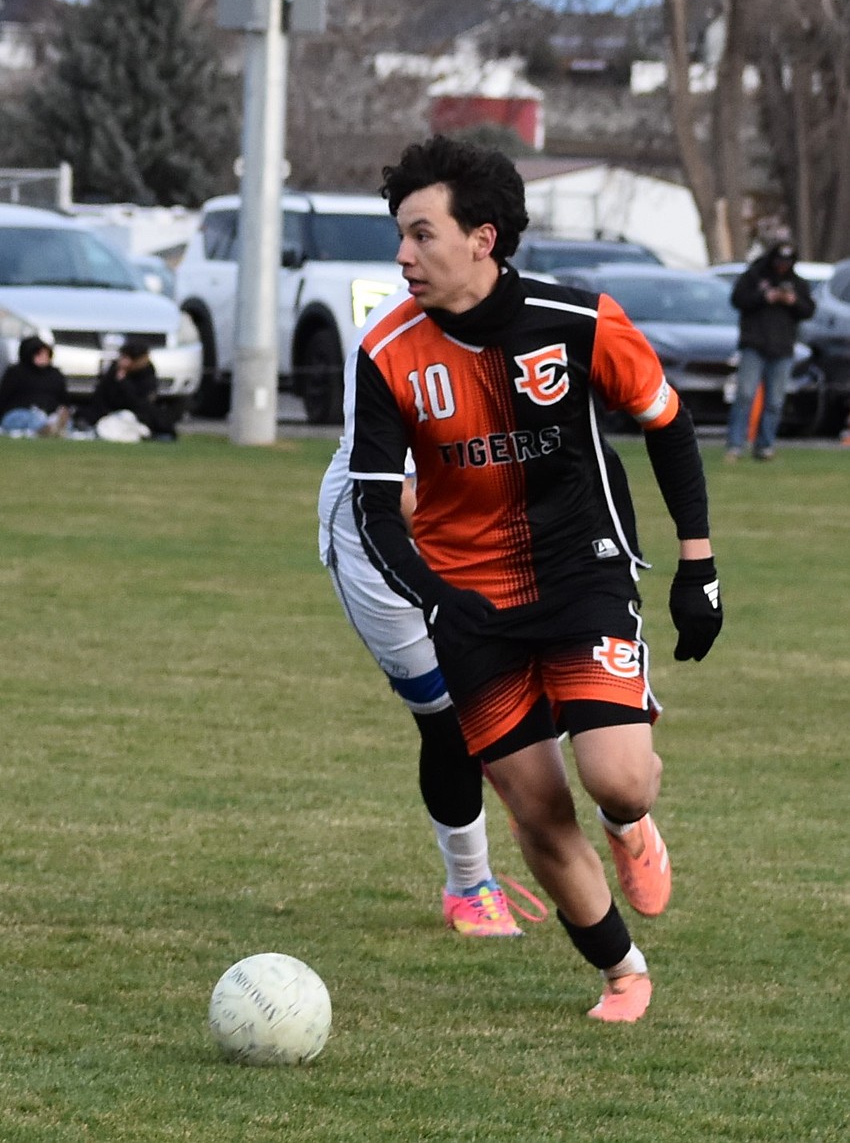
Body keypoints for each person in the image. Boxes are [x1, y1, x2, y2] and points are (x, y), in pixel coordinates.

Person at [347, 136, 723, 1023]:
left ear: (482, 238)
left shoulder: (579, 319)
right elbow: (372, 506)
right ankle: (623, 973)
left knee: (616, 779)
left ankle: (630, 821)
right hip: (468, 604)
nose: (403, 256)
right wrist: (436, 597)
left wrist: (698, 565)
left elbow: (667, 422)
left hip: (581, 574)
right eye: (400, 235)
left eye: (421, 234)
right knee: (537, 805)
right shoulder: (386, 351)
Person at [320, 376, 546, 938]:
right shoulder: (386, 347)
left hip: (482, 523)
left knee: (542, 691)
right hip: (376, 535)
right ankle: (469, 887)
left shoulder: (526, 335)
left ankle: (620, 808)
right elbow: (398, 495)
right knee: (449, 723)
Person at [725, 240, 815, 461]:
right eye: (779, 260)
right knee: (745, 395)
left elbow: (809, 309)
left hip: (782, 348)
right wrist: (764, 297)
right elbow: (737, 299)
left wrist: (793, 301)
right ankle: (735, 444)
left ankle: (765, 446)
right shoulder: (754, 276)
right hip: (755, 344)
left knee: (775, 401)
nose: (783, 265)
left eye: (787, 261)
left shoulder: (797, 282)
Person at [72, 338, 181, 441]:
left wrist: (124, 383)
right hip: (110, 412)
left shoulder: (147, 374)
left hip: (136, 415)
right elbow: (102, 397)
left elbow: (139, 403)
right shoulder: (114, 371)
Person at [0, 335, 71, 438]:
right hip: (19, 412)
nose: (43, 358)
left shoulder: (55, 375)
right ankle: (47, 428)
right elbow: (2, 398)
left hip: (49, 413)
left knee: (58, 419)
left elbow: (63, 400)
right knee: (34, 418)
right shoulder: (16, 373)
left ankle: (52, 426)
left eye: (46, 354)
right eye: (39, 354)